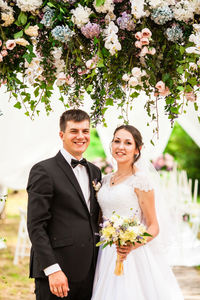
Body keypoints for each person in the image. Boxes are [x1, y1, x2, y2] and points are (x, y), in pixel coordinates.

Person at [91, 124, 184, 300]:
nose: (120, 147)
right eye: (117, 141)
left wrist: (131, 245)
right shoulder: (104, 180)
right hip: (105, 251)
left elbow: (154, 226)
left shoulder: (141, 181)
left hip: (132, 254)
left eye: (127, 143)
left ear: (137, 149)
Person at [27, 109, 101, 300]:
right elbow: (36, 226)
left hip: (91, 271)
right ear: (62, 135)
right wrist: (52, 270)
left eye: (85, 131)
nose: (81, 136)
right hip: (57, 272)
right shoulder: (43, 170)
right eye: (74, 131)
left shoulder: (95, 172)